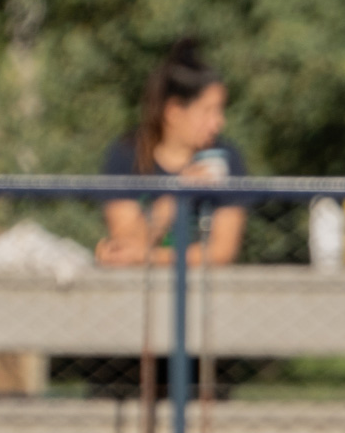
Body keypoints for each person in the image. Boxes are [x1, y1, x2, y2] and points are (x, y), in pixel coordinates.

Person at [97, 38, 248, 267]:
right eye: (208, 111)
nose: (218, 122)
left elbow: (222, 252)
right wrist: (177, 196)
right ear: (174, 111)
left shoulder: (226, 157)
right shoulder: (126, 155)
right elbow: (123, 245)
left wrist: (147, 257)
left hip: (206, 294)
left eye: (220, 111)